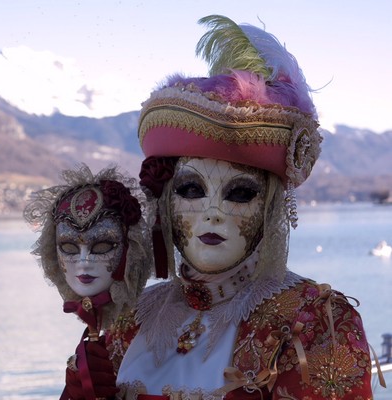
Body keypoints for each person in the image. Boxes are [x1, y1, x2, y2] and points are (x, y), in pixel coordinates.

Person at [108, 15, 380, 399]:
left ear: (269, 207)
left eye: (239, 194)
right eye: (191, 190)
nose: (212, 213)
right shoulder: (129, 320)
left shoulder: (313, 323)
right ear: (166, 203)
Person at [23, 164, 152, 400]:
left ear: (129, 248)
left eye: (102, 246)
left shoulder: (147, 325)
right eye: (69, 247)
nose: (84, 261)